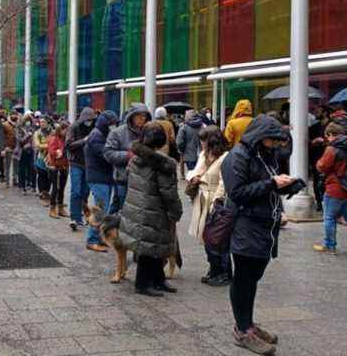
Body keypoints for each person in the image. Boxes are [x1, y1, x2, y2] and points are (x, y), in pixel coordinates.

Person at [221, 115, 295, 355]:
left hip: (264, 225)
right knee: (244, 278)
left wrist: (289, 185)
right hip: (245, 224)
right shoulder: (237, 157)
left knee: (253, 278)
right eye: (271, 140)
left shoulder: (263, 155)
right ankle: (242, 329)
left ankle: (248, 324)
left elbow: (267, 182)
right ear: (259, 136)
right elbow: (237, 193)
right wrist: (271, 183)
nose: (275, 145)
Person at [119, 122, 183, 297]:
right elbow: (168, 193)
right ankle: (143, 284)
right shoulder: (164, 164)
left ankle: (157, 279)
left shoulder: (135, 159)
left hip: (138, 207)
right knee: (151, 247)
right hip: (155, 210)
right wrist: (176, 211)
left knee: (152, 246)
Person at [312, 123, 347, 254]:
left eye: (327, 136)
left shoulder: (332, 149)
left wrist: (318, 162)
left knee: (329, 217)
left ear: (331, 134)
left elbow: (321, 166)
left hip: (336, 188)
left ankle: (329, 245)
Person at [186, 126, 231, 286]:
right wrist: (193, 177)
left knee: (218, 238)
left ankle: (224, 272)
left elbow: (223, 182)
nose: (201, 143)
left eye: (203, 140)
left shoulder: (225, 157)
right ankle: (214, 268)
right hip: (202, 198)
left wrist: (216, 203)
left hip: (215, 201)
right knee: (207, 237)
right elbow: (193, 171)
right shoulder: (203, 155)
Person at [104, 103, 151, 215]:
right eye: (138, 115)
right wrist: (128, 155)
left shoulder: (148, 132)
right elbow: (108, 153)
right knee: (123, 208)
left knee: (124, 209)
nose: (142, 118)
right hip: (123, 178)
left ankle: (107, 227)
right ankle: (109, 229)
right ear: (131, 116)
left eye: (144, 115)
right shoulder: (117, 132)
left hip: (142, 179)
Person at [84, 110, 119, 252]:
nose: (114, 126)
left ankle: (99, 238)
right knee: (100, 210)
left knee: (103, 209)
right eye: (112, 123)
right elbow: (106, 155)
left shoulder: (102, 134)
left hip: (103, 177)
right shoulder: (96, 136)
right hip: (98, 177)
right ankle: (92, 240)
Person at [65, 107, 97, 229]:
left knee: (85, 192)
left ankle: (81, 214)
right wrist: (84, 140)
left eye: (91, 119)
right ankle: (74, 218)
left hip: (88, 164)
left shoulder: (94, 129)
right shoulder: (73, 127)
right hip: (75, 163)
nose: (89, 121)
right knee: (76, 191)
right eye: (87, 119)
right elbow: (68, 145)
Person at [46, 122, 70, 219]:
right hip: (54, 166)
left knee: (62, 188)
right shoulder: (54, 138)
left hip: (64, 166)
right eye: (66, 130)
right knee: (55, 188)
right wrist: (57, 152)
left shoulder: (66, 139)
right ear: (61, 129)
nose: (67, 132)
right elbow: (51, 151)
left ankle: (60, 208)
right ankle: (52, 209)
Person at [33, 117, 52, 205]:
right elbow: (37, 145)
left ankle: (47, 192)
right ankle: (42, 193)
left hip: (51, 158)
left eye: (44, 122)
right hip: (41, 158)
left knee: (49, 177)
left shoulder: (52, 132)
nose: (42, 124)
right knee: (41, 176)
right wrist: (50, 145)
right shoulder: (37, 133)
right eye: (40, 122)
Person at [15, 113, 36, 194]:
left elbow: (34, 132)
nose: (28, 122)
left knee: (32, 168)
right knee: (22, 169)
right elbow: (19, 140)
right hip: (22, 151)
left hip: (31, 150)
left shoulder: (31, 128)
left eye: (29, 121)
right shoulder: (19, 128)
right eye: (27, 120)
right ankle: (22, 186)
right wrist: (27, 135)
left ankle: (32, 186)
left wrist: (31, 117)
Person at [2, 113, 17, 187]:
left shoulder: (17, 124)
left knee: (16, 166)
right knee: (7, 166)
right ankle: (7, 181)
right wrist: (4, 147)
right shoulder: (5, 125)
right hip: (8, 147)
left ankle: (15, 180)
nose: (15, 116)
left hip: (17, 148)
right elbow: (2, 136)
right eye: (13, 114)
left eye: (15, 114)